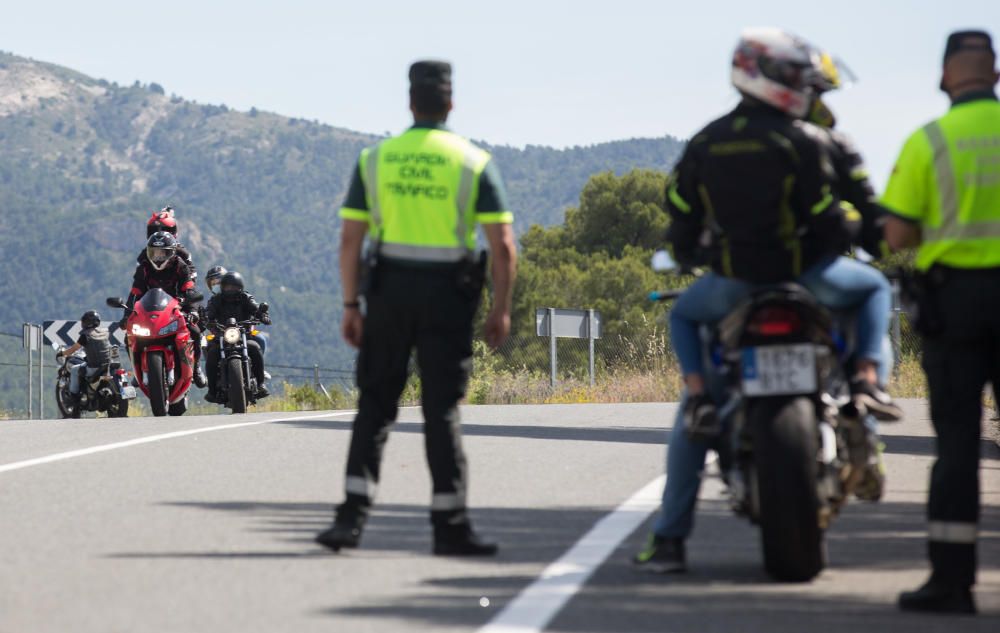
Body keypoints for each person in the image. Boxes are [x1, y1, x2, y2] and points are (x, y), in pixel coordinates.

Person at [633, 28, 901, 574]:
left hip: (734, 284)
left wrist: (688, 249)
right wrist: (862, 235)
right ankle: (869, 381)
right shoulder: (813, 140)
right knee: (874, 288)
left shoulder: (707, 141)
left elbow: (680, 208)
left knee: (687, 354)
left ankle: (670, 533)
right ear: (775, 79)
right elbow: (856, 213)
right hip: (813, 278)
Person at [315, 60, 518, 556]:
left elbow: (349, 240)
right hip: (448, 299)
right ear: (450, 103)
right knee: (440, 410)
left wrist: (350, 303)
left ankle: (350, 520)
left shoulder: (376, 159)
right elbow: (504, 245)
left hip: (388, 296)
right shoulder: (473, 162)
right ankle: (450, 526)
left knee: (376, 406)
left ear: (410, 102)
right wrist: (501, 308)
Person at [884, 30, 1000, 615]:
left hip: (955, 304)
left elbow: (898, 233)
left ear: (946, 75)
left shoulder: (930, 140)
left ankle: (952, 584)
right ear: (996, 74)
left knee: (957, 447)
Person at [127, 231, 206, 387]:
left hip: (176, 309)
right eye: (154, 252)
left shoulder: (180, 266)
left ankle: (196, 367)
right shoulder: (143, 268)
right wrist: (127, 315)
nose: (158, 256)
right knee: (128, 336)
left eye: (162, 253)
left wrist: (192, 311)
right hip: (149, 311)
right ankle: (137, 371)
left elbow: (189, 289)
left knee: (196, 332)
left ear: (171, 253)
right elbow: (135, 293)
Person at [203, 271, 271, 402]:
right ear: (223, 287)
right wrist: (205, 318)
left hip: (243, 335)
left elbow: (255, 307)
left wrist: (262, 314)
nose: (230, 290)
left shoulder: (245, 297)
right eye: (228, 287)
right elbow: (209, 312)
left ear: (240, 287)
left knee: (255, 348)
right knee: (211, 354)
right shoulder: (216, 300)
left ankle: (261, 384)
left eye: (234, 287)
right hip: (222, 336)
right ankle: (212, 390)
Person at [58, 310, 112, 404]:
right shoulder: (104, 332)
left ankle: (73, 396)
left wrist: (62, 353)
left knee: (75, 369)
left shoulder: (85, 335)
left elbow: (73, 349)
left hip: (94, 367)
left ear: (86, 322)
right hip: (107, 365)